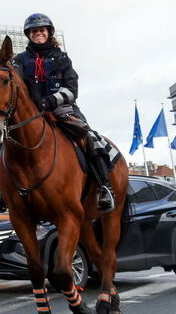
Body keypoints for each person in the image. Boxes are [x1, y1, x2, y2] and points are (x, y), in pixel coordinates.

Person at [12, 13, 116, 211]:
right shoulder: (19, 60)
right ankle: (2, 191)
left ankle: (104, 187)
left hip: (62, 108)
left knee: (90, 137)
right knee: (0, 143)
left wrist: (51, 100)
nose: (38, 33)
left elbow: (72, 89)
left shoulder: (62, 58)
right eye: (34, 31)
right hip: (30, 113)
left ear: (49, 32)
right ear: (29, 35)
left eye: (41, 30)